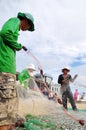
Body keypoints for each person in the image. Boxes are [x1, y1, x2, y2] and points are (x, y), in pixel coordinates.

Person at [0, 12, 35, 130]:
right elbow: (4, 32)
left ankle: (9, 125)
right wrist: (18, 45)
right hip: (5, 70)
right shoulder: (15, 21)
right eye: (29, 26)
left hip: (8, 72)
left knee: (13, 101)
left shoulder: (16, 26)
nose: (28, 29)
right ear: (26, 21)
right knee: (7, 103)